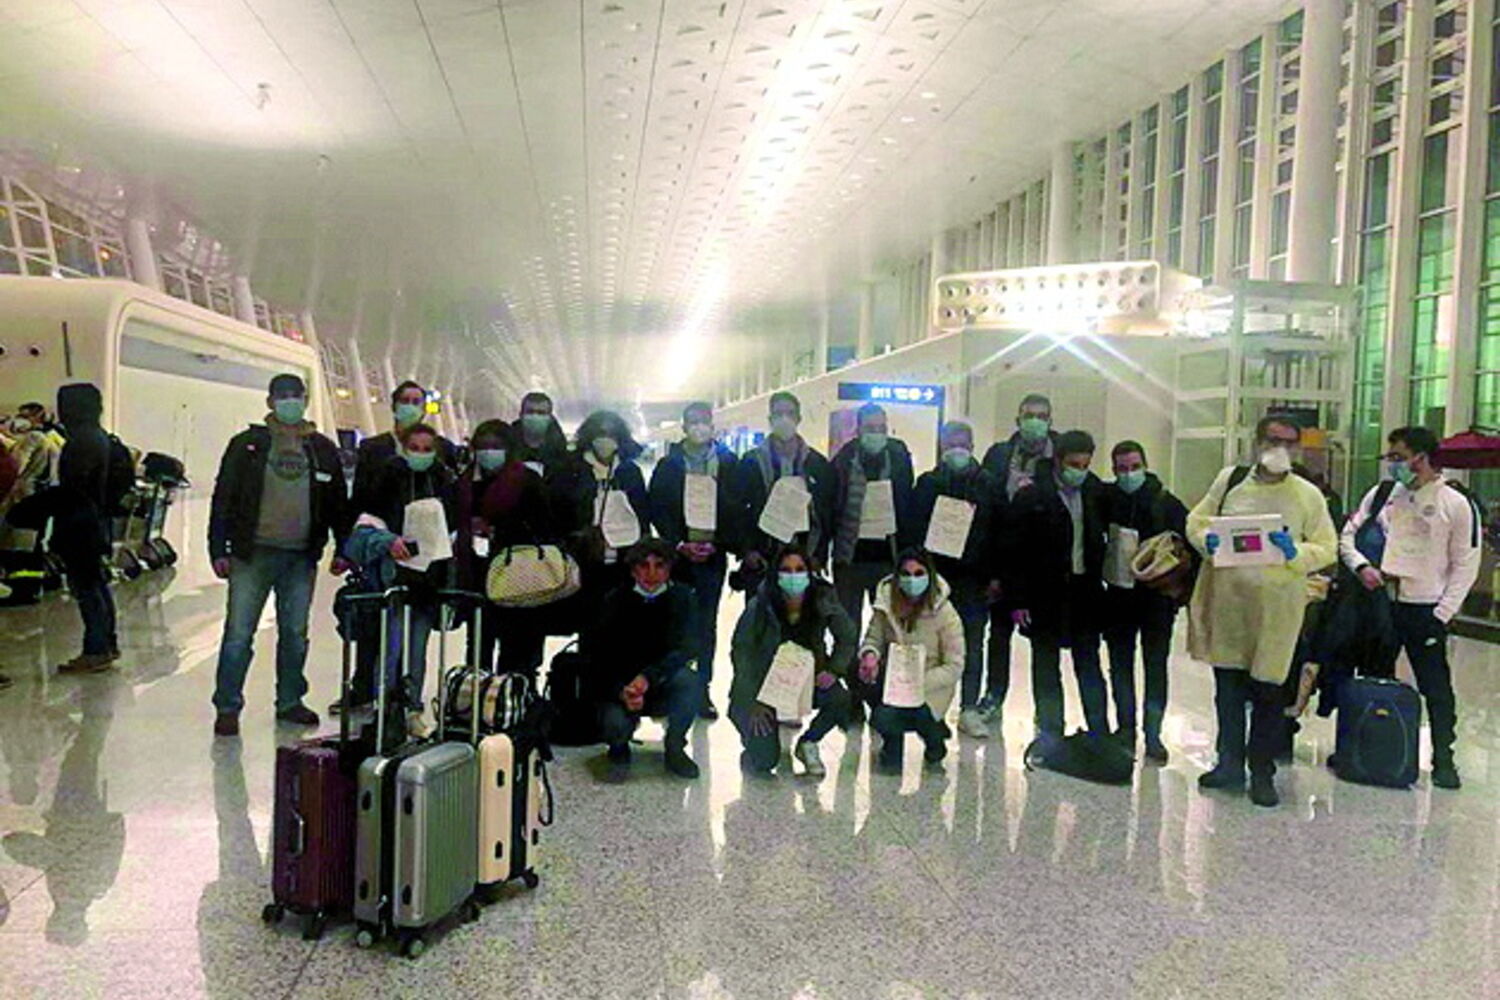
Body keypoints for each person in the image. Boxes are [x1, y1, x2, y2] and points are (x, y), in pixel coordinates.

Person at [1186, 415, 1339, 807]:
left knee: (1269, 696)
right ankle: (1229, 764)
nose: (1280, 449)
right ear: (1257, 442)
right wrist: (1208, 539)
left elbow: (1327, 547)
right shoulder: (1231, 481)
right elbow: (1196, 521)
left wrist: (1295, 552)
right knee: (1228, 692)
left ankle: (1262, 773)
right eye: (1273, 440)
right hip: (1230, 607)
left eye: (1289, 442)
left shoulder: (1307, 495)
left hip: (1277, 613)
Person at [208, 374, 351, 737]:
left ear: (305, 400)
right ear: (270, 401)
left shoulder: (321, 448)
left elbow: (337, 502)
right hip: (251, 554)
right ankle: (227, 706)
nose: (290, 401)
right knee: (239, 633)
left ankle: (290, 701)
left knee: (295, 633)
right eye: (283, 396)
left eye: (296, 395)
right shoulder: (247, 445)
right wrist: (218, 548)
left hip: (300, 557)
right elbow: (224, 497)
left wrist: (344, 547)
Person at [1339, 426, 1481, 789]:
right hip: (1382, 602)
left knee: (1435, 685)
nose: (1393, 464)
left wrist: (1442, 613)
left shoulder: (1455, 503)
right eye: (1390, 457)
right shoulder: (1384, 495)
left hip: (1426, 607)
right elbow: (1348, 535)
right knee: (1374, 674)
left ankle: (1444, 757)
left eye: (1399, 457)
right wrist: (1361, 567)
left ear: (1422, 457)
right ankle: (1367, 746)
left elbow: (1466, 563)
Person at [344, 422, 456, 737]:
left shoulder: (443, 481)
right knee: (391, 646)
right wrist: (388, 541)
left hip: (429, 580)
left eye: (427, 449)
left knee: (417, 647)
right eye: (414, 448)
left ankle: (412, 707)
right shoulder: (386, 479)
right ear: (404, 448)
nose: (421, 454)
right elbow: (365, 527)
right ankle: (386, 706)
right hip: (393, 577)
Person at [1004, 429, 1112, 747]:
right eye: (1073, 464)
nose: (1079, 470)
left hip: (1085, 591)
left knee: (1089, 664)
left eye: (1085, 464)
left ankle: (1099, 732)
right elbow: (1014, 551)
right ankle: (1051, 732)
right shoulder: (1032, 496)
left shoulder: (1095, 493)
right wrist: (1018, 599)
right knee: (1046, 665)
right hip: (1044, 593)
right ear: (1058, 461)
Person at [728, 545, 856, 777]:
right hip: (761, 687)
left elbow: (847, 636)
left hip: (805, 680)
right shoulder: (761, 603)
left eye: (799, 569)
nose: (793, 576)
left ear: (809, 572)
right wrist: (754, 700)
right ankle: (754, 743)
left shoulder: (822, 598)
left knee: (840, 698)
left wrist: (834, 670)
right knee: (765, 761)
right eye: (786, 570)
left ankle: (808, 742)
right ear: (776, 574)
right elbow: (741, 652)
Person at [911, 420, 1004, 738]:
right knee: (930, 643)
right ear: (941, 447)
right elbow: (915, 528)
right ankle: (928, 708)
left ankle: (968, 709)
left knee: (972, 646)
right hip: (935, 578)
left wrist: (995, 576)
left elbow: (999, 533)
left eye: (963, 444)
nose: (957, 450)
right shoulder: (927, 484)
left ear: (973, 447)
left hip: (974, 580)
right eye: (951, 444)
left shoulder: (989, 485)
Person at [648, 401, 740, 719]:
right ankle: (670, 687)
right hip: (678, 558)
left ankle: (701, 690)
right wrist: (678, 543)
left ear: (712, 425)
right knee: (674, 622)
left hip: (713, 558)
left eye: (704, 421)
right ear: (684, 426)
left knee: (706, 625)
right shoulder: (669, 465)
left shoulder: (728, 463)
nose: (699, 426)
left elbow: (737, 507)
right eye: (693, 421)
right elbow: (657, 507)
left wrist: (720, 542)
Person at [1101, 440, 1189, 763]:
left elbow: (1187, 550)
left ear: (1146, 465)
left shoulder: (1168, 504)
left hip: (1157, 601)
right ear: (1113, 470)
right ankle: (1125, 730)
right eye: (1122, 468)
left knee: (1155, 666)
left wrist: (1178, 593)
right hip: (1118, 597)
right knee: (1120, 666)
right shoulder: (1107, 500)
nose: (1129, 474)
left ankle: (1153, 734)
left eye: (1134, 467)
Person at [587, 538, 702, 781]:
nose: (651, 573)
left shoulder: (683, 599)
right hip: (623, 686)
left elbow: (686, 648)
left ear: (669, 569)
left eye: (659, 566)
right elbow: (598, 657)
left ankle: (675, 747)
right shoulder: (613, 600)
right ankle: (618, 749)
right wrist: (622, 690)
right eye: (643, 566)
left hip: (662, 680)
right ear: (633, 570)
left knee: (690, 682)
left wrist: (648, 678)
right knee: (613, 722)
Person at [979, 393, 1058, 735]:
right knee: (998, 635)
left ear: (1050, 421)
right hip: (1002, 559)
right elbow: (985, 509)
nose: (1034, 421)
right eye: (1029, 415)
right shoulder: (999, 455)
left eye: (1041, 415)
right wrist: (990, 571)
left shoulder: (1060, 456)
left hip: (1041, 567)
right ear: (1018, 419)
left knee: (1044, 644)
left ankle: (1047, 711)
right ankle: (994, 696)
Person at [454, 418, 555, 678]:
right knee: (478, 642)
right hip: (477, 574)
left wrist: (500, 529)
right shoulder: (465, 482)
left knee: (517, 644)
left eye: (496, 446)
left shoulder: (526, 480)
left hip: (518, 574)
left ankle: (512, 693)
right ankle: (477, 693)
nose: (489, 452)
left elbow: (543, 525)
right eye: (483, 446)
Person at [856, 548, 964, 772]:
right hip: (892, 684)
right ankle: (891, 747)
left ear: (929, 575)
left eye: (918, 573)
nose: (912, 579)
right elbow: (873, 639)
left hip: (930, 689)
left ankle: (935, 743)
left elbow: (955, 666)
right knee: (883, 716)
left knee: (923, 717)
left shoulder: (946, 613)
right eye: (905, 574)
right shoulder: (886, 604)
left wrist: (918, 682)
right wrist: (870, 655)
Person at [549, 410, 651, 635]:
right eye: (600, 433)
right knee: (588, 622)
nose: (606, 439)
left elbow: (642, 512)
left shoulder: (629, 472)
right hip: (584, 559)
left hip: (624, 559)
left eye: (611, 434)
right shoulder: (571, 471)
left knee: (622, 622)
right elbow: (560, 510)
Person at [732, 390, 837, 597]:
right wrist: (747, 550)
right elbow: (737, 510)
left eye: (790, 414)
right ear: (770, 419)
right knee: (761, 613)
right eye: (778, 414)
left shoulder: (817, 464)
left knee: (801, 614)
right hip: (762, 559)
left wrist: (819, 555)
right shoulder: (750, 462)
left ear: (799, 418)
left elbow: (826, 511)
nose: (784, 419)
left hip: (804, 560)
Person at [52, 384, 121, 676]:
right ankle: (107, 644)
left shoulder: (80, 442)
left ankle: (96, 649)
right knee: (97, 585)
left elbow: (73, 487)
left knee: (87, 588)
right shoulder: (98, 437)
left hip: (79, 524)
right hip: (94, 521)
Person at [829, 402, 914, 634]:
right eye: (870, 428)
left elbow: (906, 504)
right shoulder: (843, 460)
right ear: (858, 430)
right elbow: (833, 505)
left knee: (890, 627)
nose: (876, 433)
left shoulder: (898, 458)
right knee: (847, 628)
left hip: (888, 558)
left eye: (881, 428)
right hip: (850, 559)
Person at [351, 380, 458, 514]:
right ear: (394, 407)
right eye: (405, 401)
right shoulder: (371, 448)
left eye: (416, 402)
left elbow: (453, 496)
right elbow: (360, 498)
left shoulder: (443, 448)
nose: (410, 406)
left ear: (424, 409)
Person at [513, 391, 570, 476]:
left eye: (541, 413)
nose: (535, 416)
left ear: (550, 418)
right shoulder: (507, 445)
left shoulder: (562, 455)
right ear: (521, 415)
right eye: (530, 412)